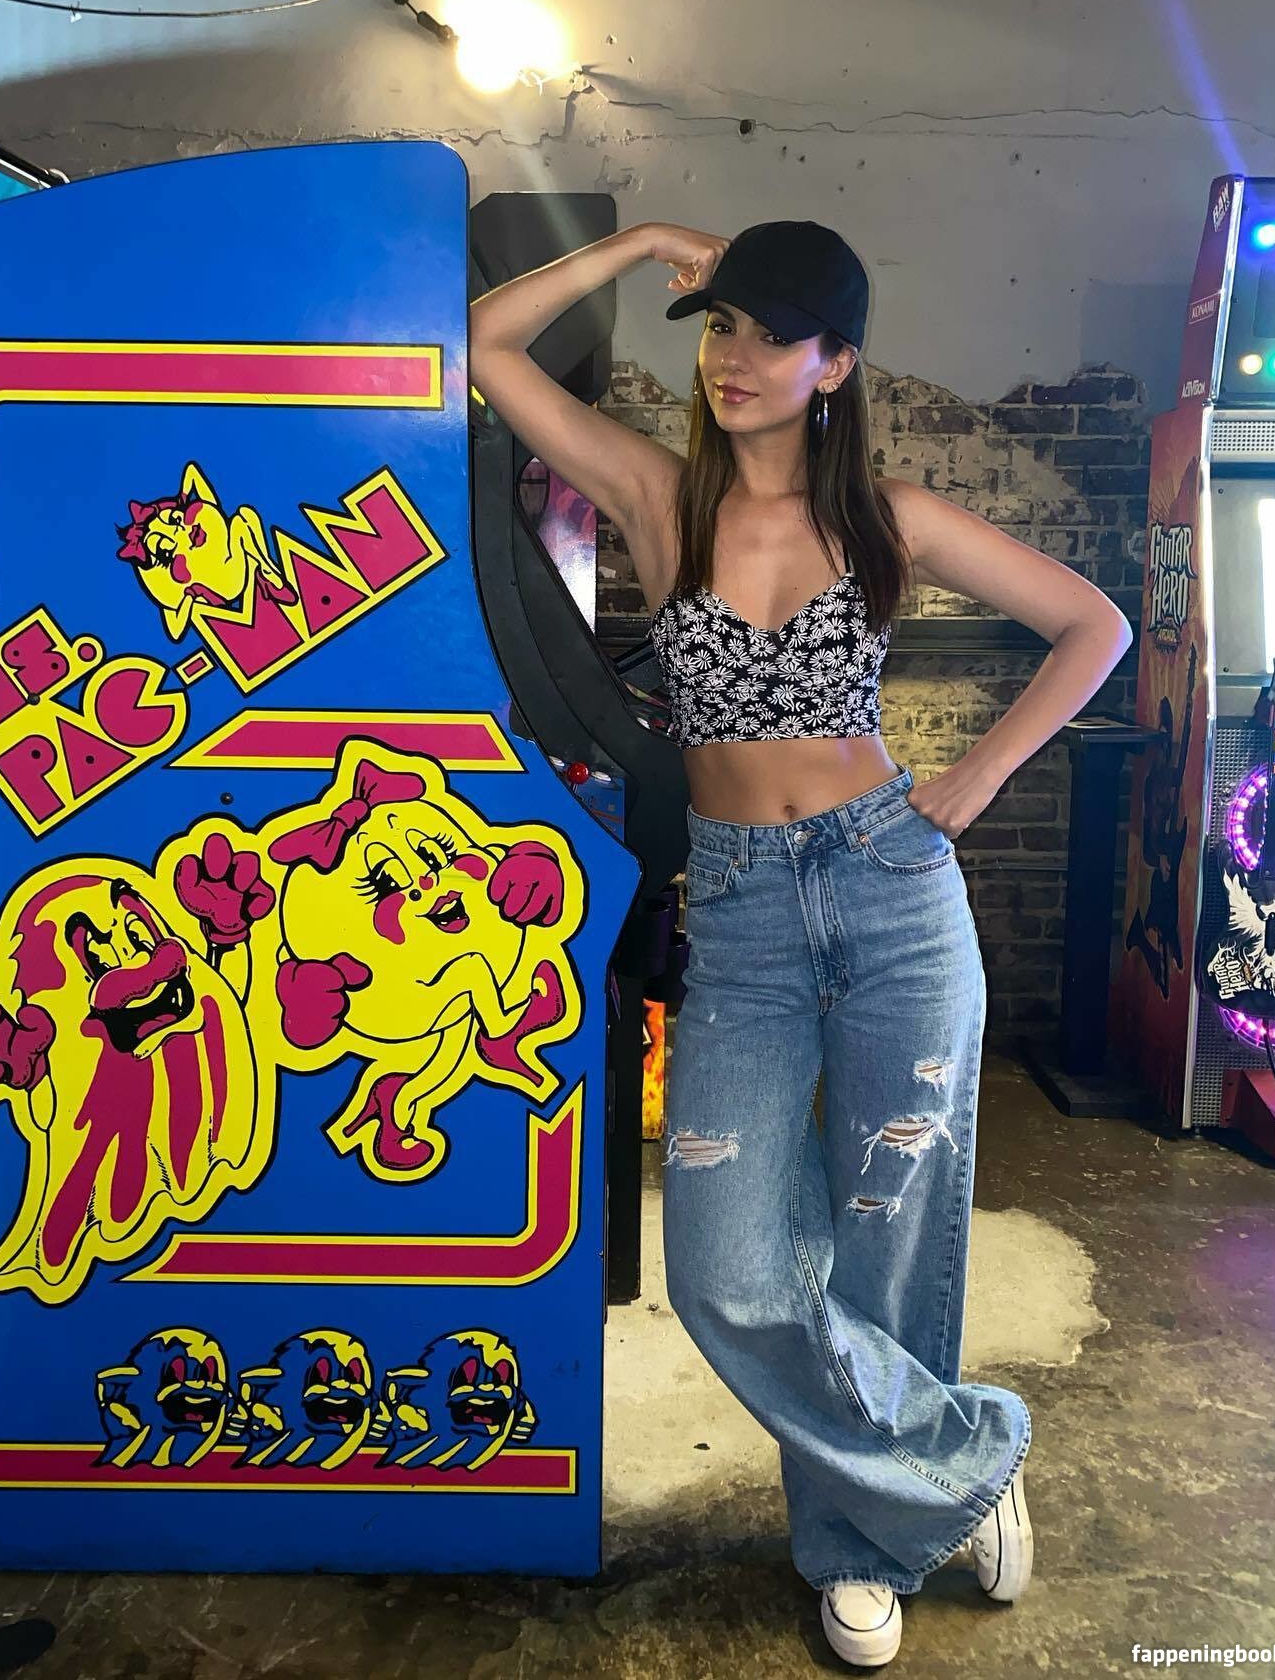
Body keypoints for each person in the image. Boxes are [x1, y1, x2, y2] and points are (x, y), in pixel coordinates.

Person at [470, 219, 1131, 1669]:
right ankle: (961, 1463)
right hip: (746, 913)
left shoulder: (891, 517)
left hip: (892, 891)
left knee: (889, 1238)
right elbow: (486, 345)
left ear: (836, 364)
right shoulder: (656, 495)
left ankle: (858, 1547)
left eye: (774, 335)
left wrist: (978, 777)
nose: (734, 359)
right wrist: (641, 241)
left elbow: (1094, 626)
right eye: (720, 327)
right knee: (724, 1266)